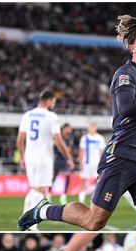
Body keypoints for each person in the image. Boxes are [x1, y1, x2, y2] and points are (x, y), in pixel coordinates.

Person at [19, 15, 136, 231]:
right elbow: (125, 108)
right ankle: (43, 210)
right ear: (132, 47)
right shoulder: (126, 74)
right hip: (122, 157)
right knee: (93, 221)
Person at [17, 89, 74, 231]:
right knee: (41, 189)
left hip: (30, 157)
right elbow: (59, 141)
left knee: (34, 188)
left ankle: (24, 219)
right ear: (48, 101)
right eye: (53, 101)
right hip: (43, 157)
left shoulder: (27, 115)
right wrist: (68, 157)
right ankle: (31, 224)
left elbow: (20, 139)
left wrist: (22, 157)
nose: (53, 104)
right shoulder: (51, 116)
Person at [78, 122, 107, 204]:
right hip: (86, 163)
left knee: (97, 181)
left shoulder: (100, 138)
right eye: (90, 127)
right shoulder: (84, 138)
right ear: (88, 128)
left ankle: (95, 201)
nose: (91, 129)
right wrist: (80, 163)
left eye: (93, 127)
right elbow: (81, 151)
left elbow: (102, 152)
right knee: (83, 181)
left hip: (96, 163)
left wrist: (102, 163)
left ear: (95, 128)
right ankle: (81, 201)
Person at [54, 123, 77, 204]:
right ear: (64, 129)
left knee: (67, 177)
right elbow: (59, 148)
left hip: (66, 160)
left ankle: (63, 195)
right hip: (58, 159)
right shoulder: (59, 137)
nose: (69, 130)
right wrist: (66, 151)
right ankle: (48, 193)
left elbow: (70, 150)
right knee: (53, 177)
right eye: (68, 128)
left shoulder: (71, 138)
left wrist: (69, 157)